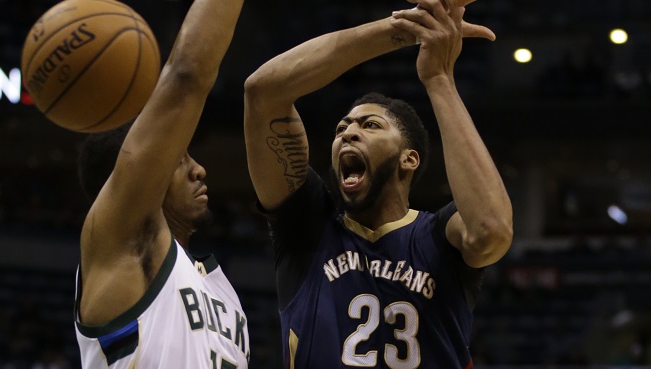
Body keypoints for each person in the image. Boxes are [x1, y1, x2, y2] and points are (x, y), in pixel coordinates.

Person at [243, 0, 512, 368]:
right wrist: (405, 28)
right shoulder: (307, 230)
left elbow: (492, 230)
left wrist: (439, 79)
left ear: (409, 158)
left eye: (370, 125)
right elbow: (263, 92)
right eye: (342, 128)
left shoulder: (436, 236)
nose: (348, 133)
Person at [73, 0, 249, 367]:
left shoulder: (217, 286)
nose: (200, 170)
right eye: (178, 161)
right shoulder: (121, 241)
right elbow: (187, 74)